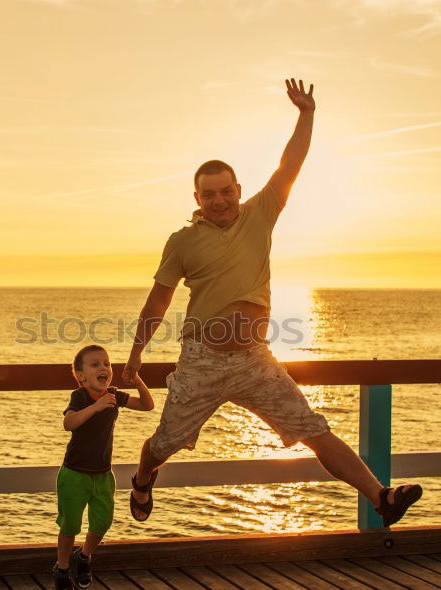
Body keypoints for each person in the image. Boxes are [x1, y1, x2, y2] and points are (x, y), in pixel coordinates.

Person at [122, 77, 422, 528]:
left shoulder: (260, 214)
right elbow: (157, 302)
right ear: (197, 198)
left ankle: (381, 496)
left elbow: (290, 164)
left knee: (314, 429)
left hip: (254, 361)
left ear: (239, 190)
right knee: (162, 445)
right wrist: (135, 356)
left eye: (226, 191)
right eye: (209, 194)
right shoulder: (182, 242)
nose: (220, 200)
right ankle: (143, 479)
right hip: (202, 361)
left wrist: (306, 115)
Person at [53, 344, 154, 590]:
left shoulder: (114, 395)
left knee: (102, 523)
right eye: (95, 364)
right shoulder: (81, 397)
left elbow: (147, 405)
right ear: (81, 376)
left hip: (102, 474)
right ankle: (62, 569)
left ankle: (84, 555)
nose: (103, 368)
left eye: (107, 364)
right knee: (70, 525)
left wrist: (138, 379)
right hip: (74, 474)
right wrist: (96, 408)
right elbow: (69, 423)